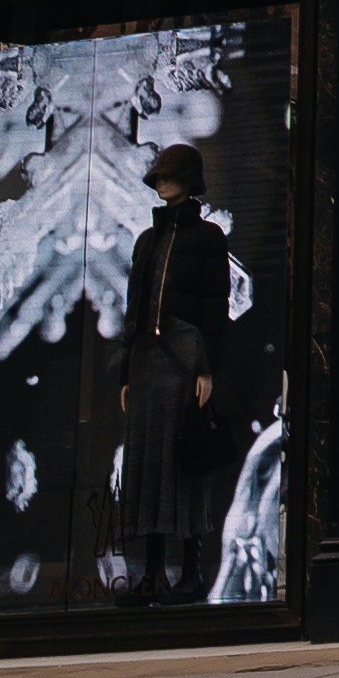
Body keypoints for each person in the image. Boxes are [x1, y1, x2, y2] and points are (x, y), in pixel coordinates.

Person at [116, 142, 233, 603]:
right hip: (147, 359)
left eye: (169, 176)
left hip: (184, 359)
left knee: (184, 461)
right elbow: (135, 309)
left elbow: (214, 307)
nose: (161, 183)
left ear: (187, 179)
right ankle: (152, 572)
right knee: (148, 463)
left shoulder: (208, 239)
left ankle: (191, 570)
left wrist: (206, 367)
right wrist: (126, 370)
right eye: (159, 176)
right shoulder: (147, 241)